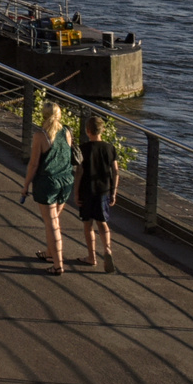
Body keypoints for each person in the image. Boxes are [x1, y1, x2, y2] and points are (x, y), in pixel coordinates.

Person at [22, 101, 78, 274]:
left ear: (43, 115)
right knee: (54, 221)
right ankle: (49, 253)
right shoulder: (67, 132)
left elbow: (34, 164)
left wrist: (25, 186)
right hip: (66, 180)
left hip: (48, 182)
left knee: (52, 224)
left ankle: (58, 264)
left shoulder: (41, 135)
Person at [75, 115, 120, 272]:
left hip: (87, 191)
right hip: (104, 191)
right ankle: (107, 249)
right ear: (103, 130)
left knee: (88, 224)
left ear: (87, 131)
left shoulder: (83, 149)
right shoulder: (109, 148)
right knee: (103, 223)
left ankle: (91, 257)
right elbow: (115, 171)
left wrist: (75, 193)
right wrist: (113, 192)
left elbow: (79, 172)